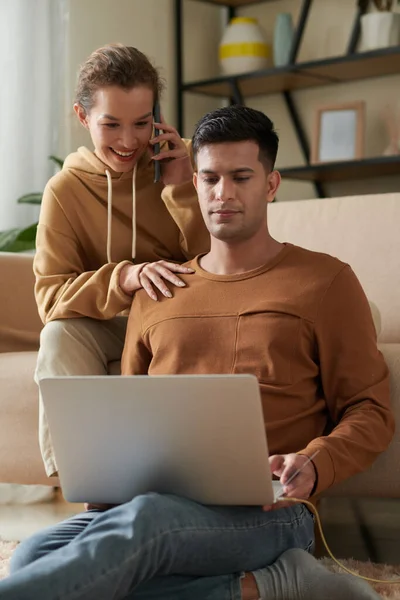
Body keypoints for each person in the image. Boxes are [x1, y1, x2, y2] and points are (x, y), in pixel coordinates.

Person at [2, 106, 390, 600]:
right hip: (163, 505)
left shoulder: (326, 282)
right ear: (195, 183)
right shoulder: (158, 290)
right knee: (36, 556)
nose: (222, 194)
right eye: (209, 178)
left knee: (146, 527)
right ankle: (268, 587)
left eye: (240, 177)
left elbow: (370, 409)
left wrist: (315, 462)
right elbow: (131, 416)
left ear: (270, 185)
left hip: (272, 515)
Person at [33, 43, 209, 478]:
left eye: (142, 123)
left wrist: (183, 188)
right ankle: (86, 480)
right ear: (82, 116)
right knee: (59, 337)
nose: (129, 142)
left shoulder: (189, 160)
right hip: (113, 320)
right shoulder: (66, 190)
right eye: (111, 124)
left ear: (157, 115)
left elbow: (224, 260)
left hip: (181, 314)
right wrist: (125, 277)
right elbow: (50, 297)